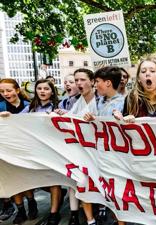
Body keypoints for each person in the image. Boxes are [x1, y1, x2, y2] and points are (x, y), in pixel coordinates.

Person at [55, 69, 98, 225]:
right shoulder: (78, 101)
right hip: (80, 151)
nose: (79, 83)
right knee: (78, 181)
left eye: (82, 80)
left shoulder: (100, 100)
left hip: (97, 152)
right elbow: (71, 119)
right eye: (76, 80)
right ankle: (86, 218)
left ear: (92, 82)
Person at [82, 66, 125, 225]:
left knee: (116, 189)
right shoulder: (97, 101)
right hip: (96, 152)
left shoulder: (123, 102)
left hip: (114, 154)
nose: (95, 85)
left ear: (108, 83)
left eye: (97, 81)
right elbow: (80, 116)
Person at [19, 79, 65, 225]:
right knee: (34, 180)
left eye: (46, 88)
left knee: (54, 181)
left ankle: (53, 213)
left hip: (52, 150)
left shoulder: (59, 106)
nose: (42, 91)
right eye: (39, 88)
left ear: (52, 91)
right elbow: (16, 120)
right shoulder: (31, 108)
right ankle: (53, 197)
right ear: (36, 90)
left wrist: (62, 115)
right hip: (34, 151)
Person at [0, 79, 36, 224]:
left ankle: (32, 203)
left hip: (24, 149)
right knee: (13, 180)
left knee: (25, 179)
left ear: (17, 90)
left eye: (8, 90)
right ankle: (20, 210)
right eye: (2, 91)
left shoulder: (29, 106)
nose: (5, 94)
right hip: (6, 150)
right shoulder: (0, 106)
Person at [113, 56, 156, 123]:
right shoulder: (131, 99)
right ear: (139, 79)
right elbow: (125, 128)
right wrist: (125, 118)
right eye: (143, 71)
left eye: (152, 71)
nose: (147, 74)